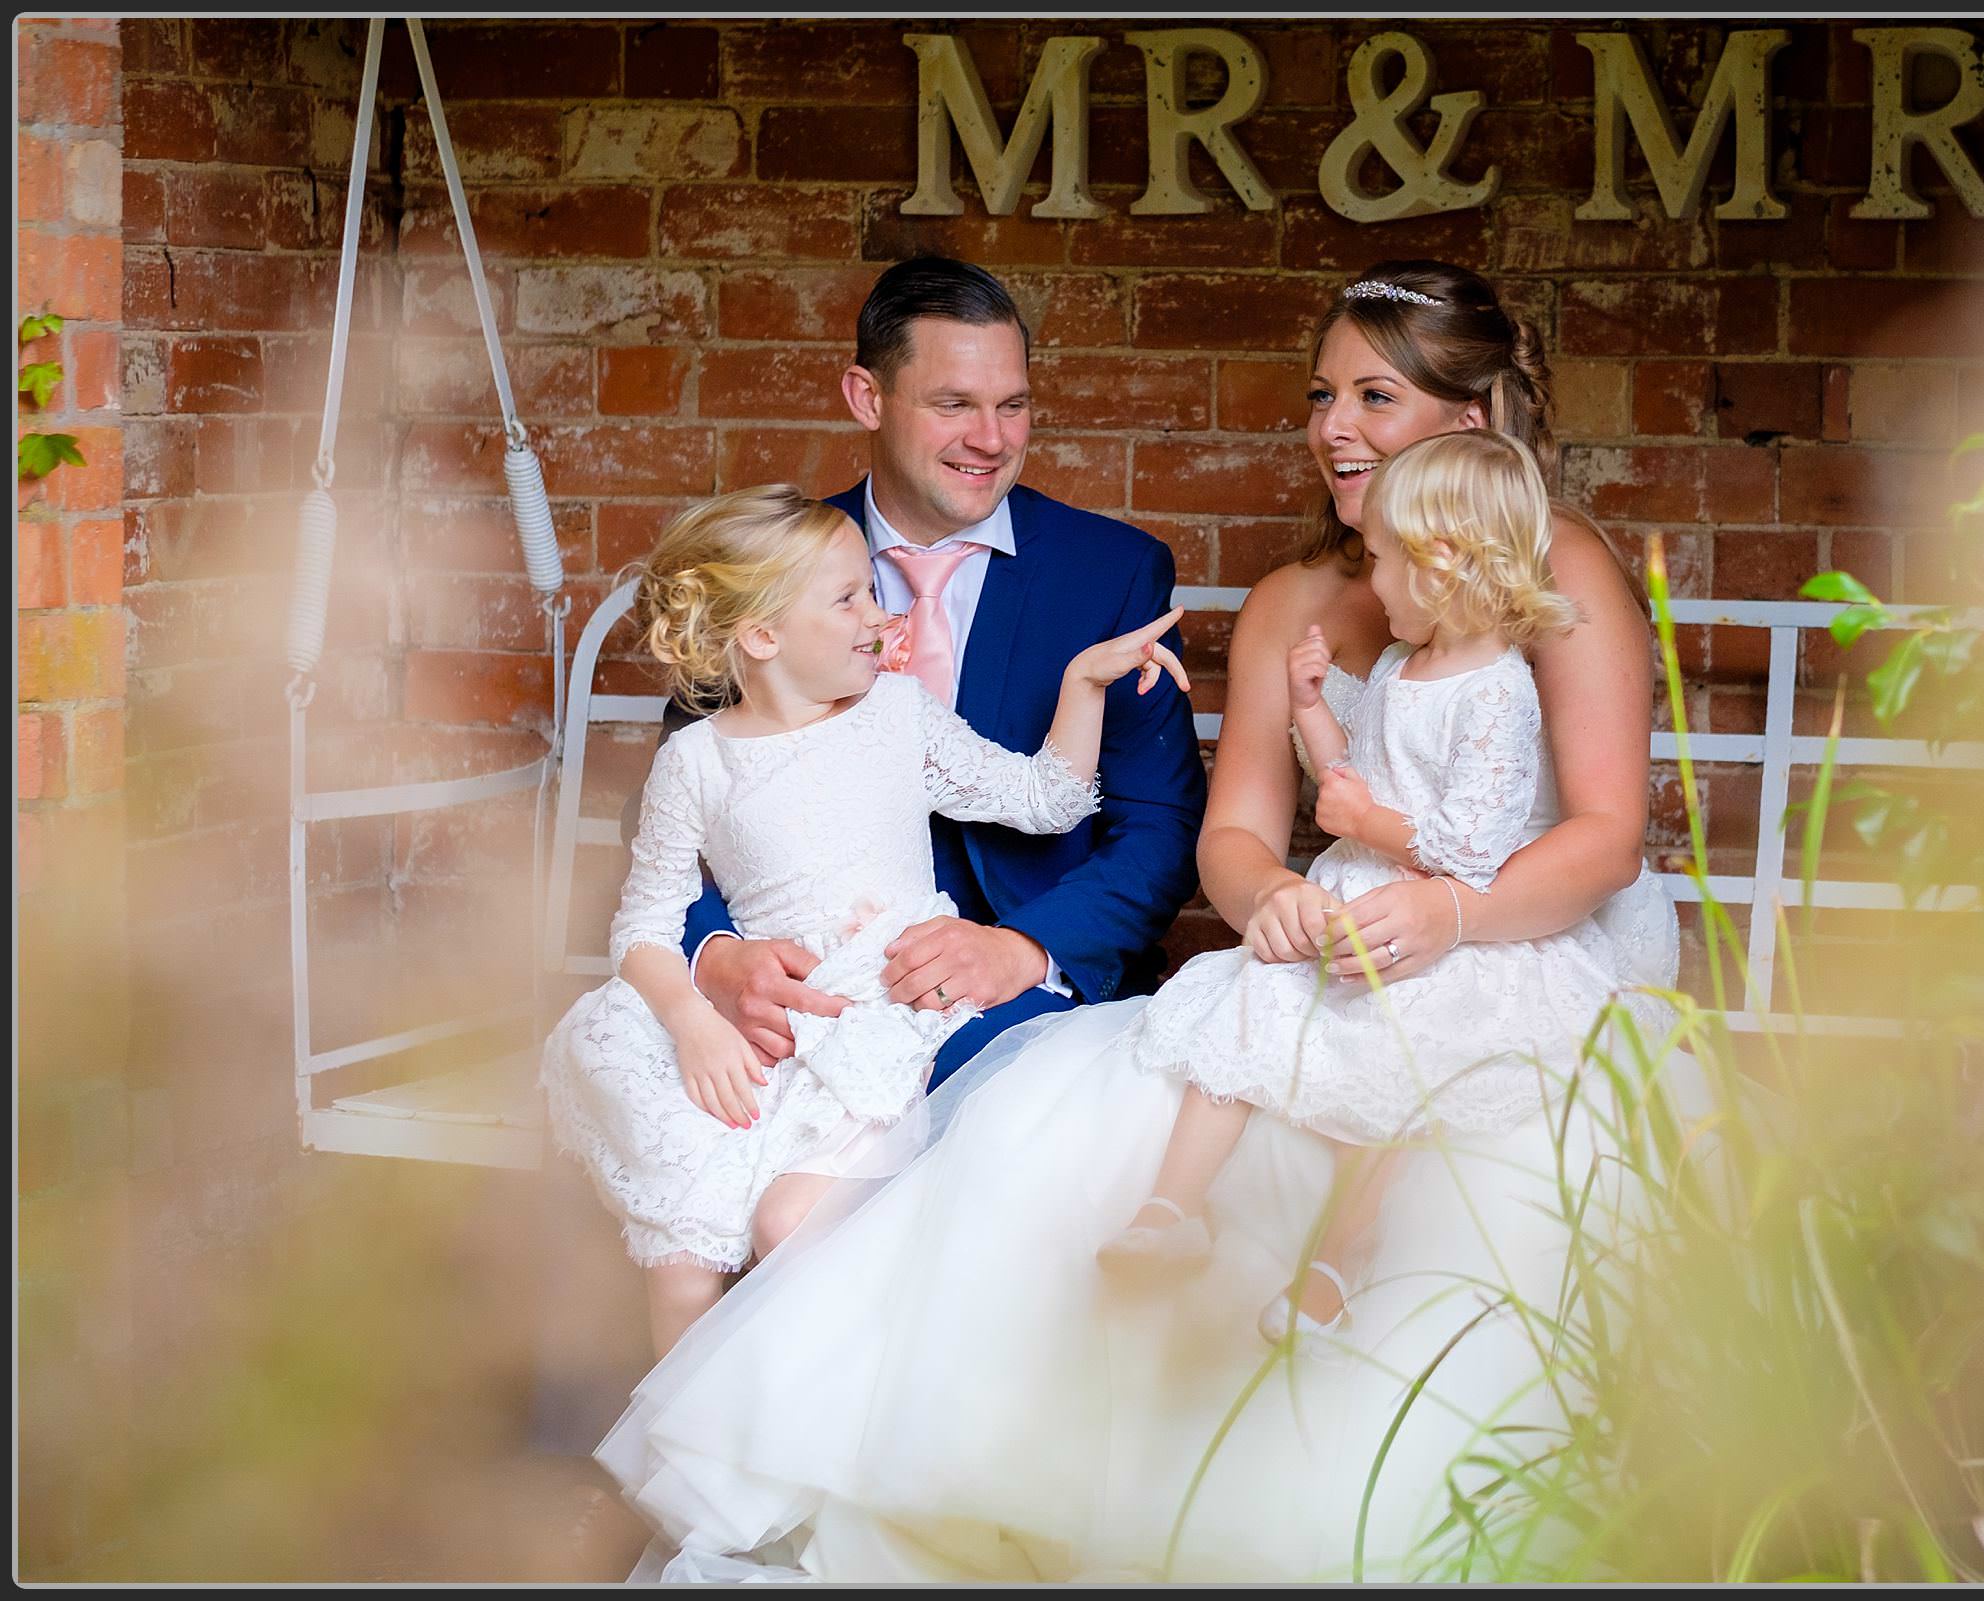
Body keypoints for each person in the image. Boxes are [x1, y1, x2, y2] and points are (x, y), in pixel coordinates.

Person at [589, 261, 1703, 1581]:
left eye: (1373, 396)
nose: (1331, 427)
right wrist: (1279, 896)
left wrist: (1438, 915)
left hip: (1489, 942)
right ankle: (927, 1486)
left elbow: (1599, 833)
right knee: (1064, 1144)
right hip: (1258, 942)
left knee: (1439, 1170)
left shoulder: (1536, 568)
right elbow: (1231, 838)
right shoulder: (1284, 595)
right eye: (1323, 394)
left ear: (1465, 421)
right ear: (866, 398)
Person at [542, 486, 1189, 1358]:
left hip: (881, 1012)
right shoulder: (697, 761)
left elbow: (1047, 798)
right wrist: (693, 1021)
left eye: (870, 592)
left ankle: (836, 1431)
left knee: (788, 1221)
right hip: (765, 1032)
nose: (879, 616)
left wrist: (1082, 684)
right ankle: (687, 1469)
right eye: (848, 598)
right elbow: (644, 928)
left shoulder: (896, 715)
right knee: (685, 1255)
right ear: (762, 637)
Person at [1097, 429, 1672, 1344]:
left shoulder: (1498, 690)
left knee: (1410, 1067)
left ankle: (1337, 1259)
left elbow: (1467, 844)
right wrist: (1315, 706)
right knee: (1240, 1010)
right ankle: (1172, 1209)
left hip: (1445, 919)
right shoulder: (1408, 663)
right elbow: (1349, 778)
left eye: (1385, 562)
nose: (1374, 581)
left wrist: (1365, 825)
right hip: (1362, 896)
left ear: (1442, 566)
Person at [666, 256, 1206, 1093]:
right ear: (867, 398)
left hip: (1023, 999)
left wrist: (1024, 950)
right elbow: (682, 804)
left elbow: (1160, 826)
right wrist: (719, 958)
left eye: (1012, 405)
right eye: (954, 404)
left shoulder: (1113, 573)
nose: (991, 438)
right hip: (808, 997)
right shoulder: (772, 567)